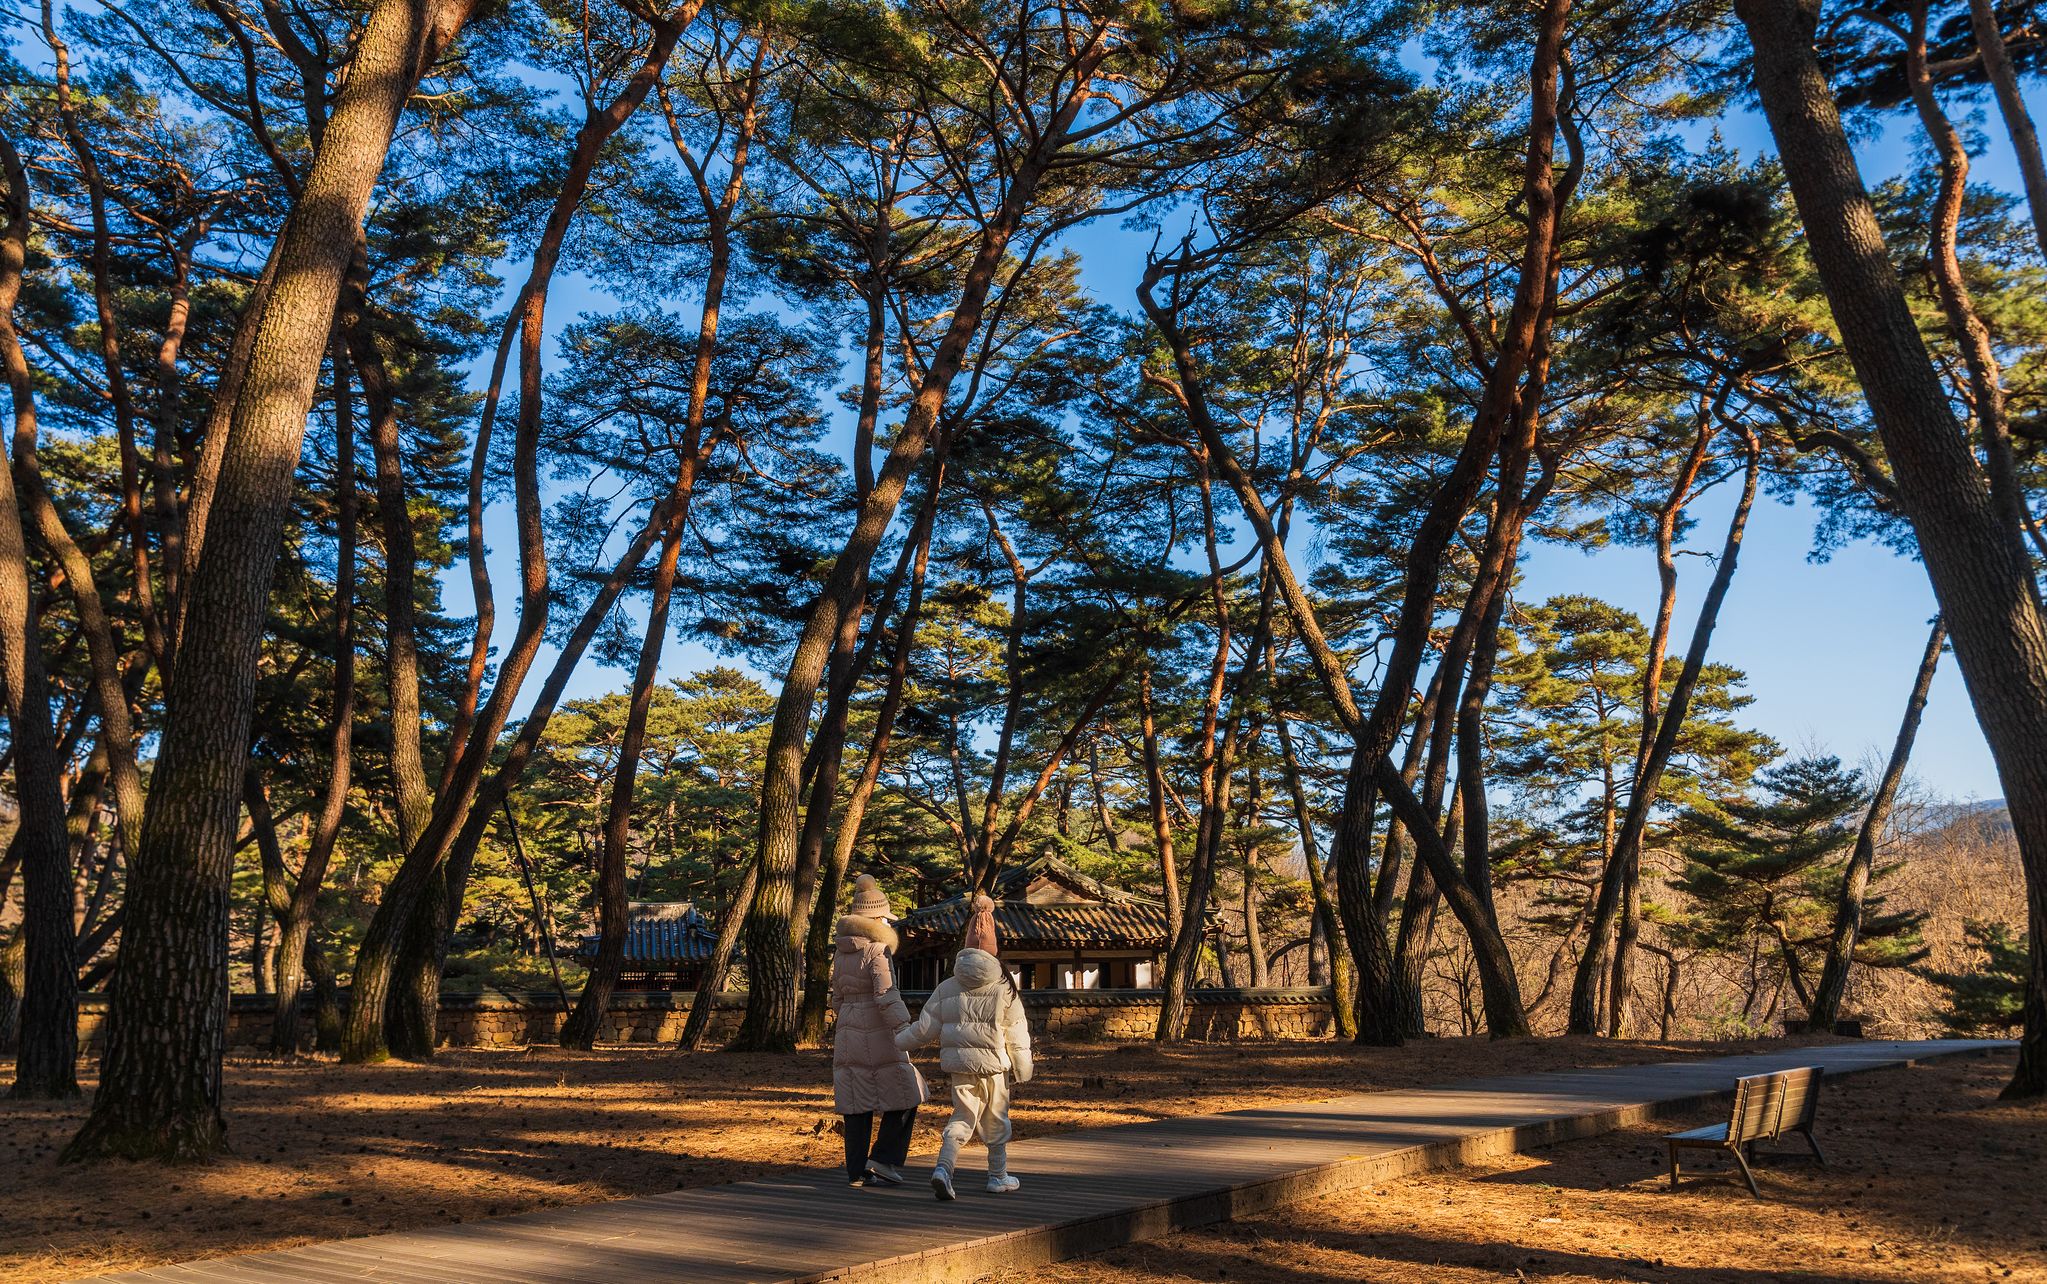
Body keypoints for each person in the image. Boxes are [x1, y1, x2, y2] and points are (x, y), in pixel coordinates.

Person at [895, 895, 1032, 1200]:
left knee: (962, 1116)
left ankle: (944, 1168)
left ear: (966, 948)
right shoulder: (1004, 987)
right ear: (994, 950)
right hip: (994, 1066)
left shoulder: (947, 986)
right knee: (997, 1118)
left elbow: (924, 1028)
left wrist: (898, 1042)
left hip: (960, 1066)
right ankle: (997, 1177)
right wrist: (1023, 1067)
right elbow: (1017, 1031)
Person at [831, 874, 925, 1187]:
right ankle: (884, 1158)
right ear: (878, 917)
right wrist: (907, 1029)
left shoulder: (841, 951)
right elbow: (887, 994)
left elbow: (836, 1000)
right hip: (880, 1029)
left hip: (847, 1029)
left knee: (856, 1100)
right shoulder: (877, 950)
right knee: (906, 1092)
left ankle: (856, 1170)